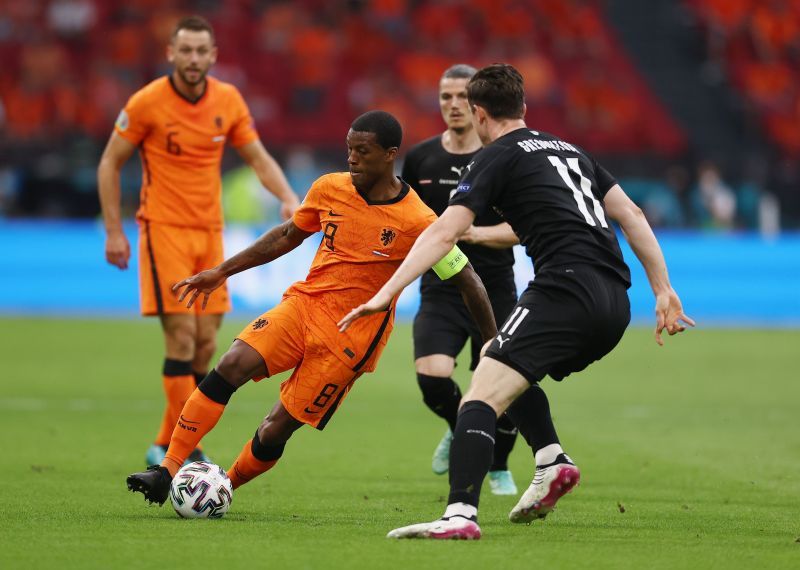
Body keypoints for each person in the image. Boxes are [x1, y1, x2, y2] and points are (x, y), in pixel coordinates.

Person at [339, 64, 695, 540]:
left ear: (478, 113)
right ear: (524, 108)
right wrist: (663, 289)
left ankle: (459, 515)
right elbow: (629, 214)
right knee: (499, 360)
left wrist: (387, 292)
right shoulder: (570, 150)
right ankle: (550, 459)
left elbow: (444, 232)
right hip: (616, 299)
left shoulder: (494, 157)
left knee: (480, 394)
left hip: (564, 290)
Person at [125, 110, 498, 505]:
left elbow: (468, 279)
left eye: (362, 151)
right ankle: (166, 470)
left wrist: (492, 342)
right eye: (349, 149)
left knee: (274, 429)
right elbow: (287, 235)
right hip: (304, 306)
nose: (351, 158)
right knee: (232, 363)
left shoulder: (419, 221)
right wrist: (221, 271)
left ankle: (223, 488)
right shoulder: (329, 188)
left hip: (351, 338)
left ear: (389, 155)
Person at [97, 16, 299, 467]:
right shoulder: (148, 102)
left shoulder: (227, 100)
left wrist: (287, 197)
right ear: (170, 53)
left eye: (200, 51)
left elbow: (257, 157)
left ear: (213, 56)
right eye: (184, 50)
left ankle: (164, 440)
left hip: (209, 233)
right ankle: (184, 450)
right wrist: (114, 231)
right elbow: (110, 163)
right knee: (182, 337)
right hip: (162, 230)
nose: (192, 59)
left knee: (208, 343)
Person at [401, 64, 520, 495]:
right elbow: (406, 217)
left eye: (460, 98)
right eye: (444, 97)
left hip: (496, 287)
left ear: (478, 106)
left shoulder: (505, 157)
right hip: (442, 286)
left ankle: (500, 467)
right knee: (432, 376)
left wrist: (472, 233)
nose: (452, 106)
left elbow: (525, 229)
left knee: (507, 385)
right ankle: (461, 426)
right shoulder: (421, 158)